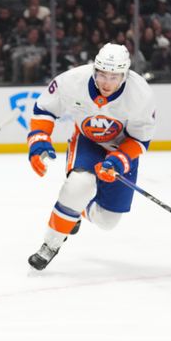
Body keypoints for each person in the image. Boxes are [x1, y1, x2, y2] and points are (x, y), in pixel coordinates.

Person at [26, 43, 156, 270]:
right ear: (95, 69)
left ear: (125, 75)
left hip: (121, 149)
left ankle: (78, 209)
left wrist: (117, 161)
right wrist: (38, 140)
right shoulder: (72, 81)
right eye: (102, 74)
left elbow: (140, 140)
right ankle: (51, 244)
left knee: (107, 220)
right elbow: (45, 109)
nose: (106, 83)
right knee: (79, 185)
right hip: (88, 141)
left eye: (114, 77)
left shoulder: (140, 95)